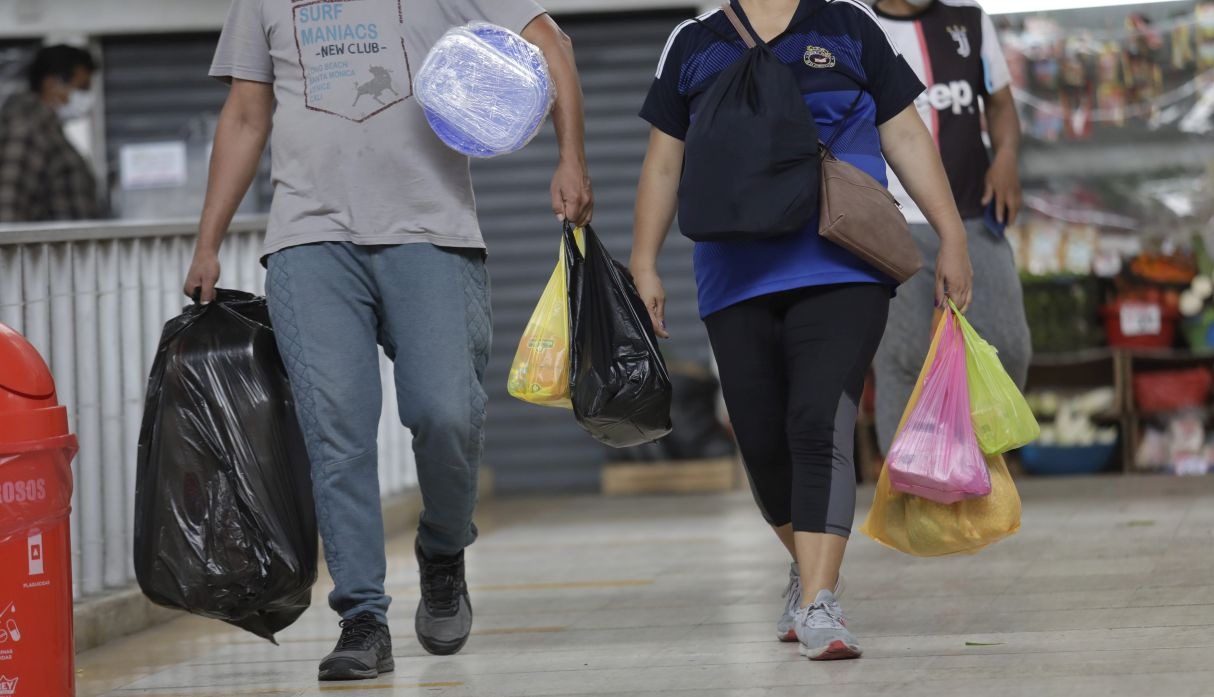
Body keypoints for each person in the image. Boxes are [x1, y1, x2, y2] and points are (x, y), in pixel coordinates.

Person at [183, 0, 592, 681]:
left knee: (447, 416)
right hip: (309, 239)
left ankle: (442, 547)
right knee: (336, 432)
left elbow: (553, 45)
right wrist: (208, 240)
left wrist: (571, 157)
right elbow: (247, 115)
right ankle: (362, 617)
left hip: (430, 232)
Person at [631, 0, 972, 661]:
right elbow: (664, 163)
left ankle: (820, 601)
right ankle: (809, 565)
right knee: (761, 441)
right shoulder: (694, 42)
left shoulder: (846, 28)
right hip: (735, 274)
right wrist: (643, 260)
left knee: (819, 420)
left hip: (842, 260)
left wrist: (952, 234)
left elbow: (904, 134)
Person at [871, 0, 1032, 454]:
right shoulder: (858, 24)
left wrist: (1005, 158)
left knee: (1008, 347)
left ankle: (977, 468)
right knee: (904, 360)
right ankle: (911, 491)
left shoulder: (970, 21)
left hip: (972, 217)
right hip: (892, 225)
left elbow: (1000, 105)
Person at [0, 44, 100, 222]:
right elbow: (8, 208)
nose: (87, 97)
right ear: (51, 83)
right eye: (82, 87)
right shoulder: (25, 130)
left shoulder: (48, 130)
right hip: (48, 249)